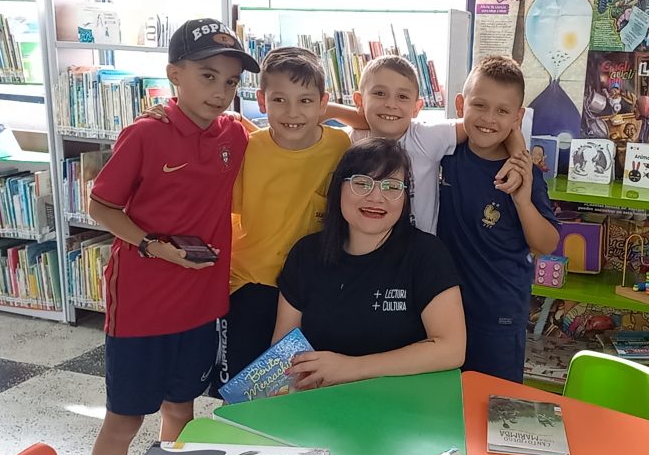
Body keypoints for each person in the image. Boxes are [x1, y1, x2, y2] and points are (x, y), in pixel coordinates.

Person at [84, 18, 258, 455]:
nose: (220, 91)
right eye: (208, 76)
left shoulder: (234, 134)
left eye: (231, 81)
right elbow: (100, 206)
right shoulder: (145, 134)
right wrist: (151, 246)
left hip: (203, 302)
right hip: (143, 304)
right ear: (174, 74)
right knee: (124, 418)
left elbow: (293, 125)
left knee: (182, 408)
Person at [139, 47, 352, 395]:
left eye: (305, 101)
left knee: (302, 387)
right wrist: (168, 115)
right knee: (239, 390)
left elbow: (372, 118)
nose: (293, 112)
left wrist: (331, 110)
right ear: (262, 101)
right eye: (279, 100)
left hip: (311, 291)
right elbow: (196, 149)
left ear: (322, 104)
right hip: (249, 286)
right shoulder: (244, 146)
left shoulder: (339, 145)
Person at [272, 138, 466, 388]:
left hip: (402, 402)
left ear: (405, 196)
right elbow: (283, 353)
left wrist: (350, 368)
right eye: (362, 183)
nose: (376, 197)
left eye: (391, 186)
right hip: (320, 402)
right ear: (338, 188)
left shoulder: (427, 254)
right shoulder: (306, 254)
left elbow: (451, 349)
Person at [437, 55, 560, 382]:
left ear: (517, 117)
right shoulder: (444, 154)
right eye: (479, 105)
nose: (489, 119)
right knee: (441, 397)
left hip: (497, 313)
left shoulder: (524, 171)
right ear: (460, 104)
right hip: (440, 308)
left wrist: (521, 200)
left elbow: (547, 243)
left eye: (503, 111)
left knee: (493, 402)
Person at [326, 55, 523, 234]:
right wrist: (333, 110)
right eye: (379, 93)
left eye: (402, 96)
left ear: (416, 107)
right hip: (368, 248)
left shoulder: (427, 137)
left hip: (420, 253)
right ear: (359, 100)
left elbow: (486, 126)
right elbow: (314, 118)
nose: (391, 104)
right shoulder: (350, 141)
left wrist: (518, 162)